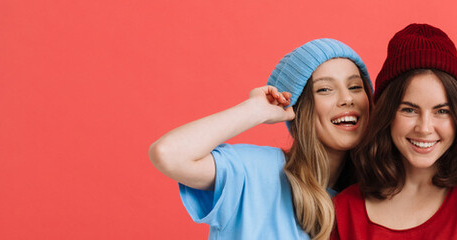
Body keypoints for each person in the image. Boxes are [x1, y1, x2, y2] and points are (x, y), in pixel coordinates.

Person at [149, 38, 372, 240]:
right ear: (299, 107)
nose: (347, 99)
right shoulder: (253, 173)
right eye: (325, 89)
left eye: (355, 87)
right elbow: (168, 153)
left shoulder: (371, 198)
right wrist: (255, 110)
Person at [332, 24, 457, 240]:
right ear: (387, 113)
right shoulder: (344, 209)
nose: (425, 128)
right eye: (409, 110)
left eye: (442, 111)